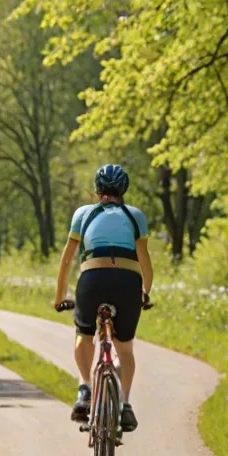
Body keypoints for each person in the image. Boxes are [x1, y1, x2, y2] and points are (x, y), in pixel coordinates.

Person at [53, 164, 153, 432]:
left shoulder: (83, 214)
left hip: (92, 281)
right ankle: (125, 405)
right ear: (124, 190)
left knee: (85, 336)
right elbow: (145, 263)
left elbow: (66, 261)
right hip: (128, 283)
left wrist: (60, 296)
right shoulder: (136, 216)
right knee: (125, 348)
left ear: (97, 190)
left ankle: (85, 389)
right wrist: (145, 292)